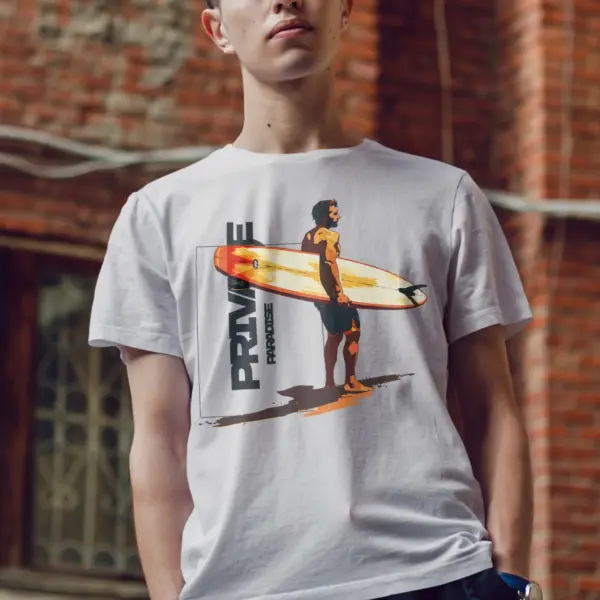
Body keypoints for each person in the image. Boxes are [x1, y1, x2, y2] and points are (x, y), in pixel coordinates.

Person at [89, 1, 542, 599]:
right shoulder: (160, 215)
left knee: (345, 339)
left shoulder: (444, 197)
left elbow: (495, 410)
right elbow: (159, 441)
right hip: (242, 586)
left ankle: (343, 380)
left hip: (434, 572)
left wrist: (510, 581)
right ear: (217, 29)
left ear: (345, 9)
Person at [301, 199, 371, 394]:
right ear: (325, 217)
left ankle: (330, 383)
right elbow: (330, 262)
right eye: (334, 213)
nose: (338, 216)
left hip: (318, 294)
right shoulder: (330, 236)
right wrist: (339, 293)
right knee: (353, 332)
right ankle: (350, 382)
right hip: (333, 294)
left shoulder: (308, 236)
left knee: (334, 336)